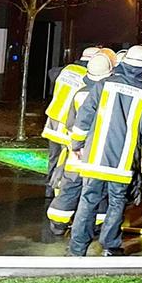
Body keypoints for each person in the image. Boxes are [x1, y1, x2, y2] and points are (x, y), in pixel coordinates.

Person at [67, 44, 142, 257]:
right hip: (122, 162)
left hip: (95, 158)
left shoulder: (103, 85)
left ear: (124, 65)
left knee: (88, 201)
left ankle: (77, 249)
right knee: (117, 204)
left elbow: (84, 118)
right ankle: (110, 246)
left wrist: (77, 144)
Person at [45, 50, 116, 238]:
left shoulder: (79, 93)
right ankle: (97, 224)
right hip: (101, 151)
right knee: (98, 188)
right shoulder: (110, 94)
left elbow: (72, 122)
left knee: (70, 184)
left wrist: (75, 146)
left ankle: (58, 222)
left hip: (78, 150)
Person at [41, 46, 102, 199]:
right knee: (66, 159)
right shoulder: (88, 77)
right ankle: (60, 193)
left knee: (53, 157)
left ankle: (49, 188)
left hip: (53, 120)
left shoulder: (67, 69)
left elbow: (52, 73)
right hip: (67, 123)